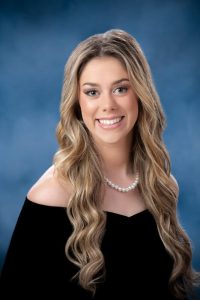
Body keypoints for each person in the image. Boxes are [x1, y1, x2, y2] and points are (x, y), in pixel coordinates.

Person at [0, 29, 199, 300]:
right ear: (77, 103)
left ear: (140, 94)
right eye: (92, 92)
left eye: (121, 89)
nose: (107, 104)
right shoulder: (51, 194)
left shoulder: (162, 186)